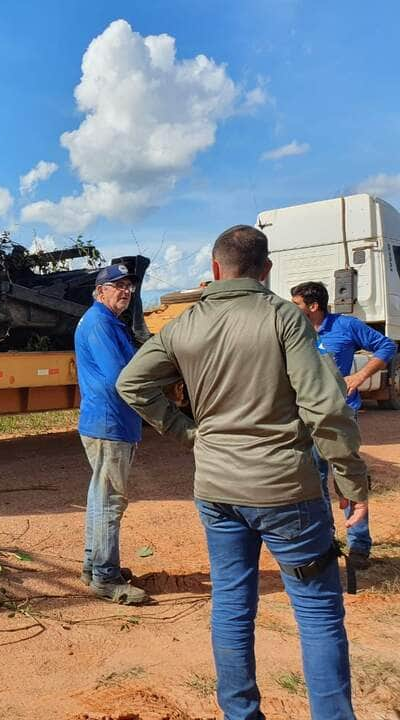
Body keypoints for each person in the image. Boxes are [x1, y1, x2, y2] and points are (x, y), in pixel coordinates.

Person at [117, 225, 368, 719]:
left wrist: (190, 433)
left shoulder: (183, 326)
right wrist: (350, 481)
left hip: (217, 489)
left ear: (215, 269)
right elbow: (324, 406)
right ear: (266, 269)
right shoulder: (284, 318)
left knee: (232, 605)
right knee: (317, 612)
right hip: (285, 491)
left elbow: (132, 384)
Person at [290, 280, 396, 568]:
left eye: (297, 304)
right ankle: (327, 542)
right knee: (314, 483)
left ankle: (359, 547)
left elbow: (386, 346)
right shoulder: (292, 332)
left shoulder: (345, 326)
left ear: (313, 306)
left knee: (348, 481)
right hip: (305, 421)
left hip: (340, 419)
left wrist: (359, 378)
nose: (291, 309)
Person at [73, 262, 147, 606]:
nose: (125, 291)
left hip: (108, 422)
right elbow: (125, 375)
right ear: (100, 290)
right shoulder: (101, 323)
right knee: (110, 501)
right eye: (118, 285)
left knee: (99, 497)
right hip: (110, 422)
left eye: (129, 286)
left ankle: (94, 566)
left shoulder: (104, 322)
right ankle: (105, 576)